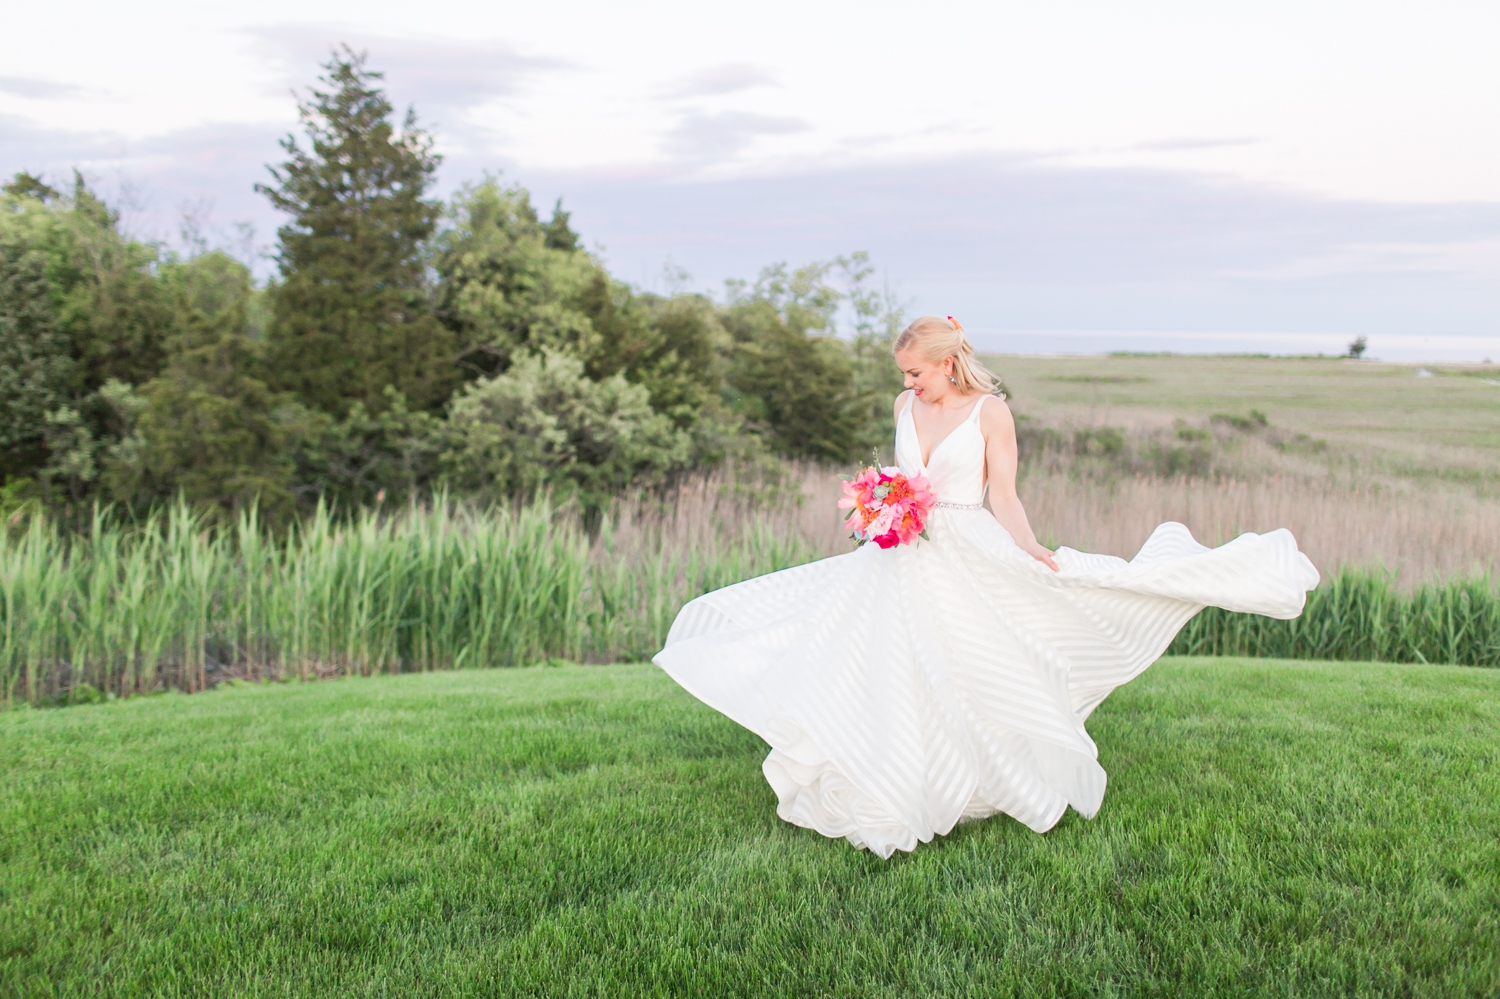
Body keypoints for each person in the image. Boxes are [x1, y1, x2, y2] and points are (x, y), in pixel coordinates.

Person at [654, 316, 1319, 858]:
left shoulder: (990, 412)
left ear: (947, 362)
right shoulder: (902, 404)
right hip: (900, 553)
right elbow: (900, 473)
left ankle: (974, 774)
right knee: (885, 659)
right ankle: (889, 765)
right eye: (903, 374)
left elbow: (1003, 492)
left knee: (976, 657)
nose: (908, 382)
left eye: (916, 371)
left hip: (969, 544)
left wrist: (1028, 546)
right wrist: (882, 501)